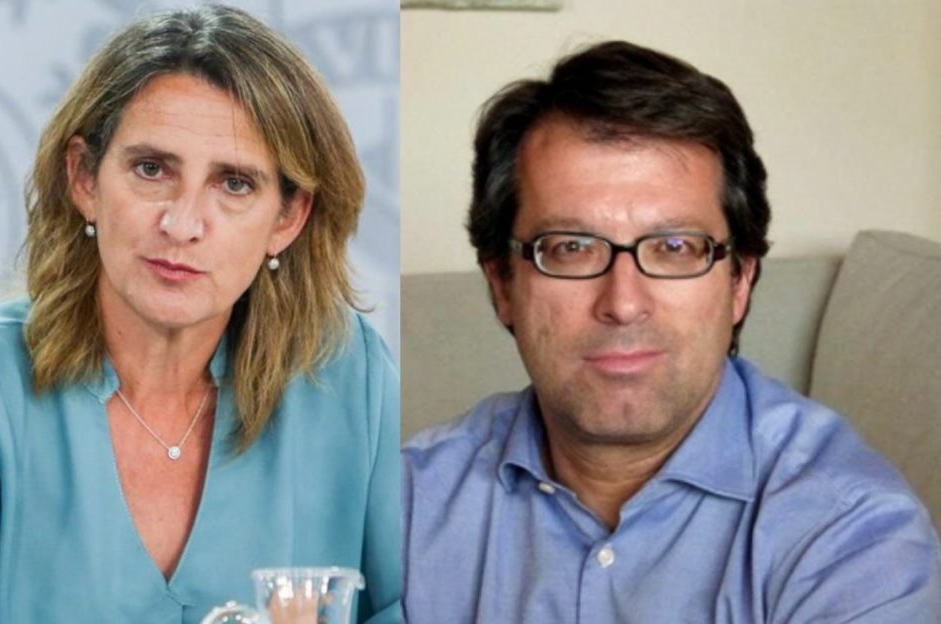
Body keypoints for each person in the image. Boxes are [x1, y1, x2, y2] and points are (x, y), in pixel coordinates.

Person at [402, 40, 941, 622]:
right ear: (502, 286)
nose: (624, 303)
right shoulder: (404, 505)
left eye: (676, 247)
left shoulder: (853, 540)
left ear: (740, 282)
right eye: (571, 248)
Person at [0, 5, 399, 623]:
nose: (182, 223)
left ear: (287, 218)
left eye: (234, 183)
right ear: (84, 179)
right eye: (152, 169)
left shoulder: (352, 377)